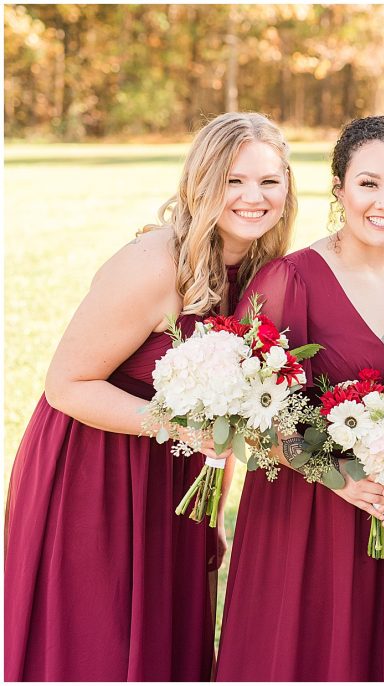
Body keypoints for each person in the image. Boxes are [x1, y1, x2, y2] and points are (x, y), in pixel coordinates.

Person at [4, 112, 295, 680]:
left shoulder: (263, 272)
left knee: (165, 641)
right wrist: (177, 427)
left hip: (178, 473)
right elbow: (65, 384)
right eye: (233, 181)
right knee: (101, 640)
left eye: (269, 181)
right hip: (97, 468)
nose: (253, 197)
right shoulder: (154, 264)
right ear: (200, 184)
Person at [215, 116, 384, 681]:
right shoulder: (291, 280)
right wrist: (335, 476)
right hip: (304, 526)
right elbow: (243, 417)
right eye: (368, 183)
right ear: (339, 188)